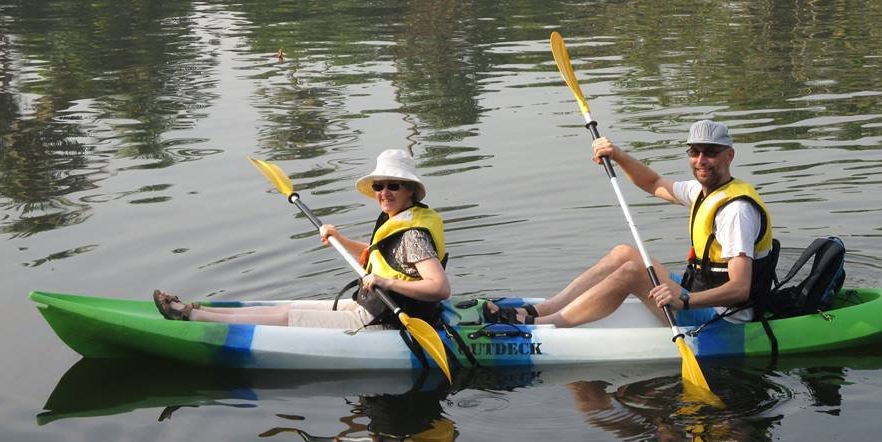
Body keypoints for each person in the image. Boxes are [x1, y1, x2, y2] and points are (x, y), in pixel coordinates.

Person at [486, 120, 775, 328]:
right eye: (694, 152)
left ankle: (545, 325)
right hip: (699, 296)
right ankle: (543, 308)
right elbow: (652, 183)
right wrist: (617, 155)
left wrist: (684, 300)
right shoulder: (704, 191)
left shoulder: (735, 212)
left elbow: (740, 289)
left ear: (729, 155)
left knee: (633, 272)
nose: (701, 160)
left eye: (710, 152)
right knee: (624, 253)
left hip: (726, 317)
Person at [153, 149, 451, 329]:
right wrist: (341, 239)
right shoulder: (396, 219)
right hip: (374, 306)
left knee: (286, 317)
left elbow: (439, 288)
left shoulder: (413, 233)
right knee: (287, 310)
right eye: (379, 185)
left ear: (410, 190)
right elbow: (383, 258)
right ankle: (201, 310)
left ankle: (192, 318)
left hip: (387, 320)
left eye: (393, 185)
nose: (384, 192)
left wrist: (384, 283)